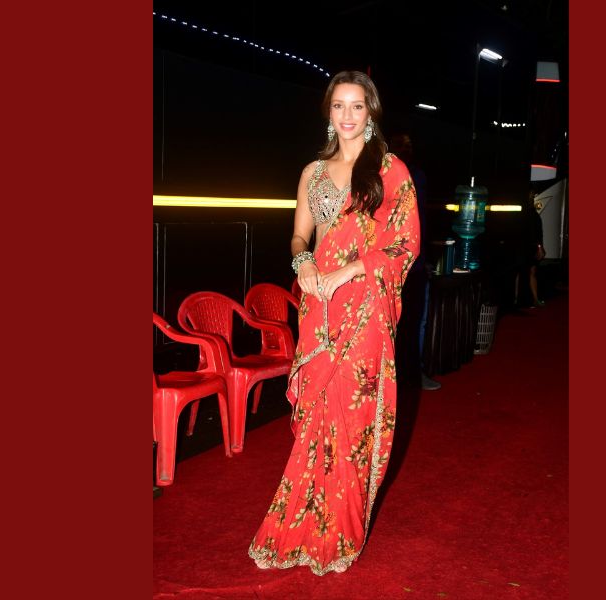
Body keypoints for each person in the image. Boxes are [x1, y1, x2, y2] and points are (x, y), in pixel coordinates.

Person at [248, 71, 421, 575]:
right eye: (339, 105)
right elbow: (299, 237)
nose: (347, 115)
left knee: (351, 417)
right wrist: (303, 263)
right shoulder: (312, 172)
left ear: (371, 113)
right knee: (316, 418)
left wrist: (350, 270)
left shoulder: (388, 170)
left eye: (357, 106)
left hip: (363, 308)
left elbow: (405, 243)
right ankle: (301, 524)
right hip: (317, 307)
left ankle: (340, 534)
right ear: (328, 112)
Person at [388, 132, 441, 391]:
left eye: (409, 144)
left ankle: (414, 373)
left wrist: (425, 258)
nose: (406, 148)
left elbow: (420, 221)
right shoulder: (383, 173)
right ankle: (390, 378)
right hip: (389, 264)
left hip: (416, 263)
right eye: (402, 144)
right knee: (392, 323)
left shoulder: (418, 175)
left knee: (417, 320)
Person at [515, 190, 546, 307]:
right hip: (525, 246)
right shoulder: (529, 214)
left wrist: (539, 247)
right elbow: (536, 233)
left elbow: (537, 232)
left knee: (528, 271)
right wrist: (540, 247)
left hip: (527, 246)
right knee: (525, 271)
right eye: (531, 194)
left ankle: (533, 299)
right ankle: (523, 299)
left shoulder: (531, 213)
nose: (533, 196)